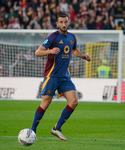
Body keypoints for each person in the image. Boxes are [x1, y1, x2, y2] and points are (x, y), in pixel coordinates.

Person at [30, 13, 91, 141]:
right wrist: (50, 51)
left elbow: (74, 50)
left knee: (74, 102)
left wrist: (83, 56)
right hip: (51, 75)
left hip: (64, 76)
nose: (64, 24)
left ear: (68, 23)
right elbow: (38, 52)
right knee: (45, 103)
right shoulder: (53, 37)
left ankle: (57, 128)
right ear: (57, 24)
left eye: (66, 22)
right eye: (61, 22)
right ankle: (32, 132)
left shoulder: (72, 37)